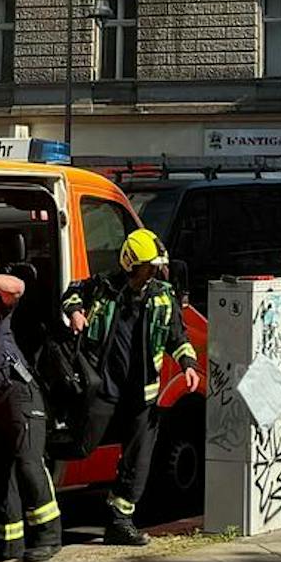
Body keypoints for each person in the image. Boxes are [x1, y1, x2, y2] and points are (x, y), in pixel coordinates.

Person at [63, 228, 199, 545]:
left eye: (156, 267)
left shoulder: (163, 295)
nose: (153, 272)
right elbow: (71, 292)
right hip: (104, 388)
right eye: (148, 267)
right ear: (130, 264)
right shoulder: (103, 288)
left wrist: (188, 365)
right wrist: (75, 311)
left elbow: (177, 338)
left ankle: (120, 520)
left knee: (138, 458)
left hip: (142, 393)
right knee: (81, 445)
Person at [0, 265, 60, 562]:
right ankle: (10, 543)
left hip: (17, 390)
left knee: (28, 463)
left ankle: (49, 537)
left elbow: (17, 287)